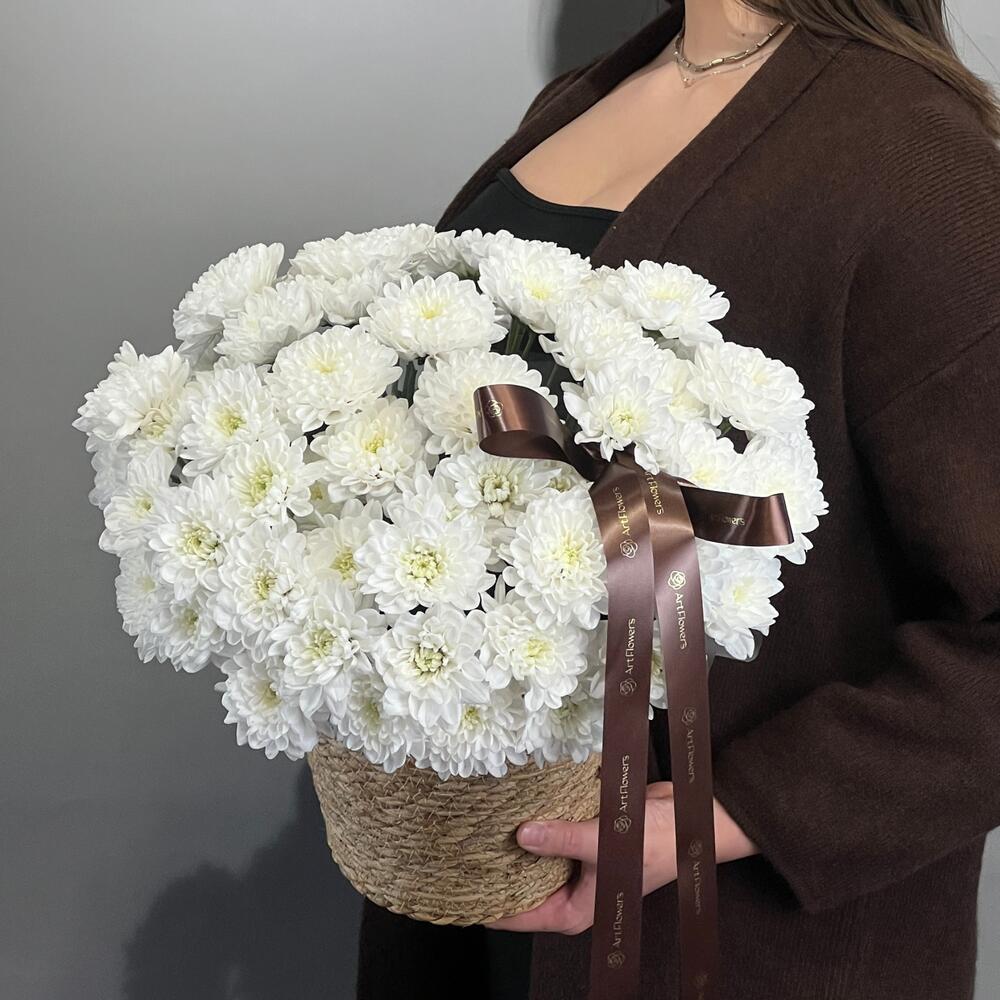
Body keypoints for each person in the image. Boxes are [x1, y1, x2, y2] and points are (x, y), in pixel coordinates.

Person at [357, 1, 1000, 997]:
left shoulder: (921, 164)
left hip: (726, 942)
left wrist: (721, 816)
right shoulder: (584, 97)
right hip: (474, 879)